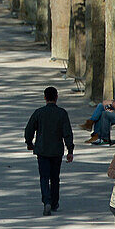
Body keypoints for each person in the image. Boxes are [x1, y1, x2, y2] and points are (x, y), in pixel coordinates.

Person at [24, 86, 74, 215]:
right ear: (57, 97)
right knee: (55, 177)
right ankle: (54, 202)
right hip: (57, 150)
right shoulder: (62, 113)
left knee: (44, 177)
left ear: (44, 97)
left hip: (42, 150)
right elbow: (67, 133)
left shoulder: (39, 113)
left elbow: (29, 129)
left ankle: (46, 200)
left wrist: (29, 143)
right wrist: (70, 150)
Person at [85, 76, 115, 144]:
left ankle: (103, 138)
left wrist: (112, 103)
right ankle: (98, 135)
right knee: (102, 109)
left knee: (105, 113)